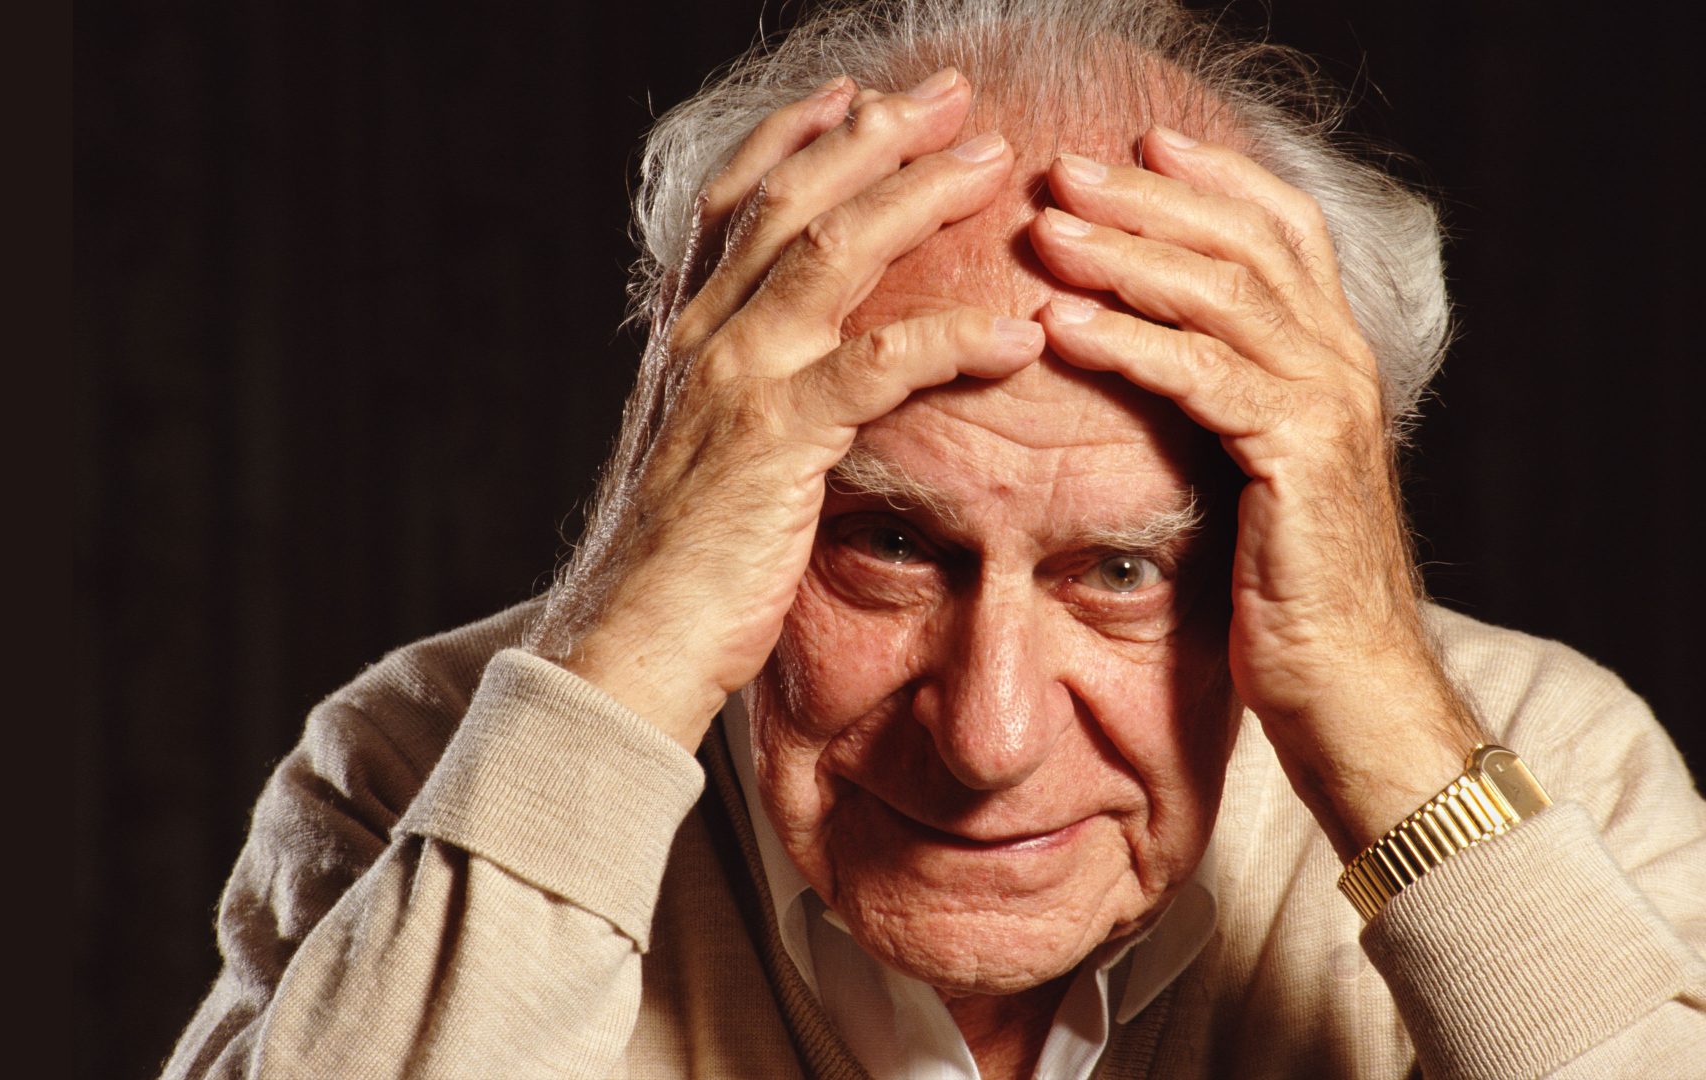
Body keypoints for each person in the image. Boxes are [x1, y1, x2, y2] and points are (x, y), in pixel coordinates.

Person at [161, 1, 1706, 1077]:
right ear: (705, 477)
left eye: (1124, 567)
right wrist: (624, 645)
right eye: (887, 541)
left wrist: (1383, 716)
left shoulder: (1544, 758)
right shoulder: (423, 763)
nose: (988, 736)